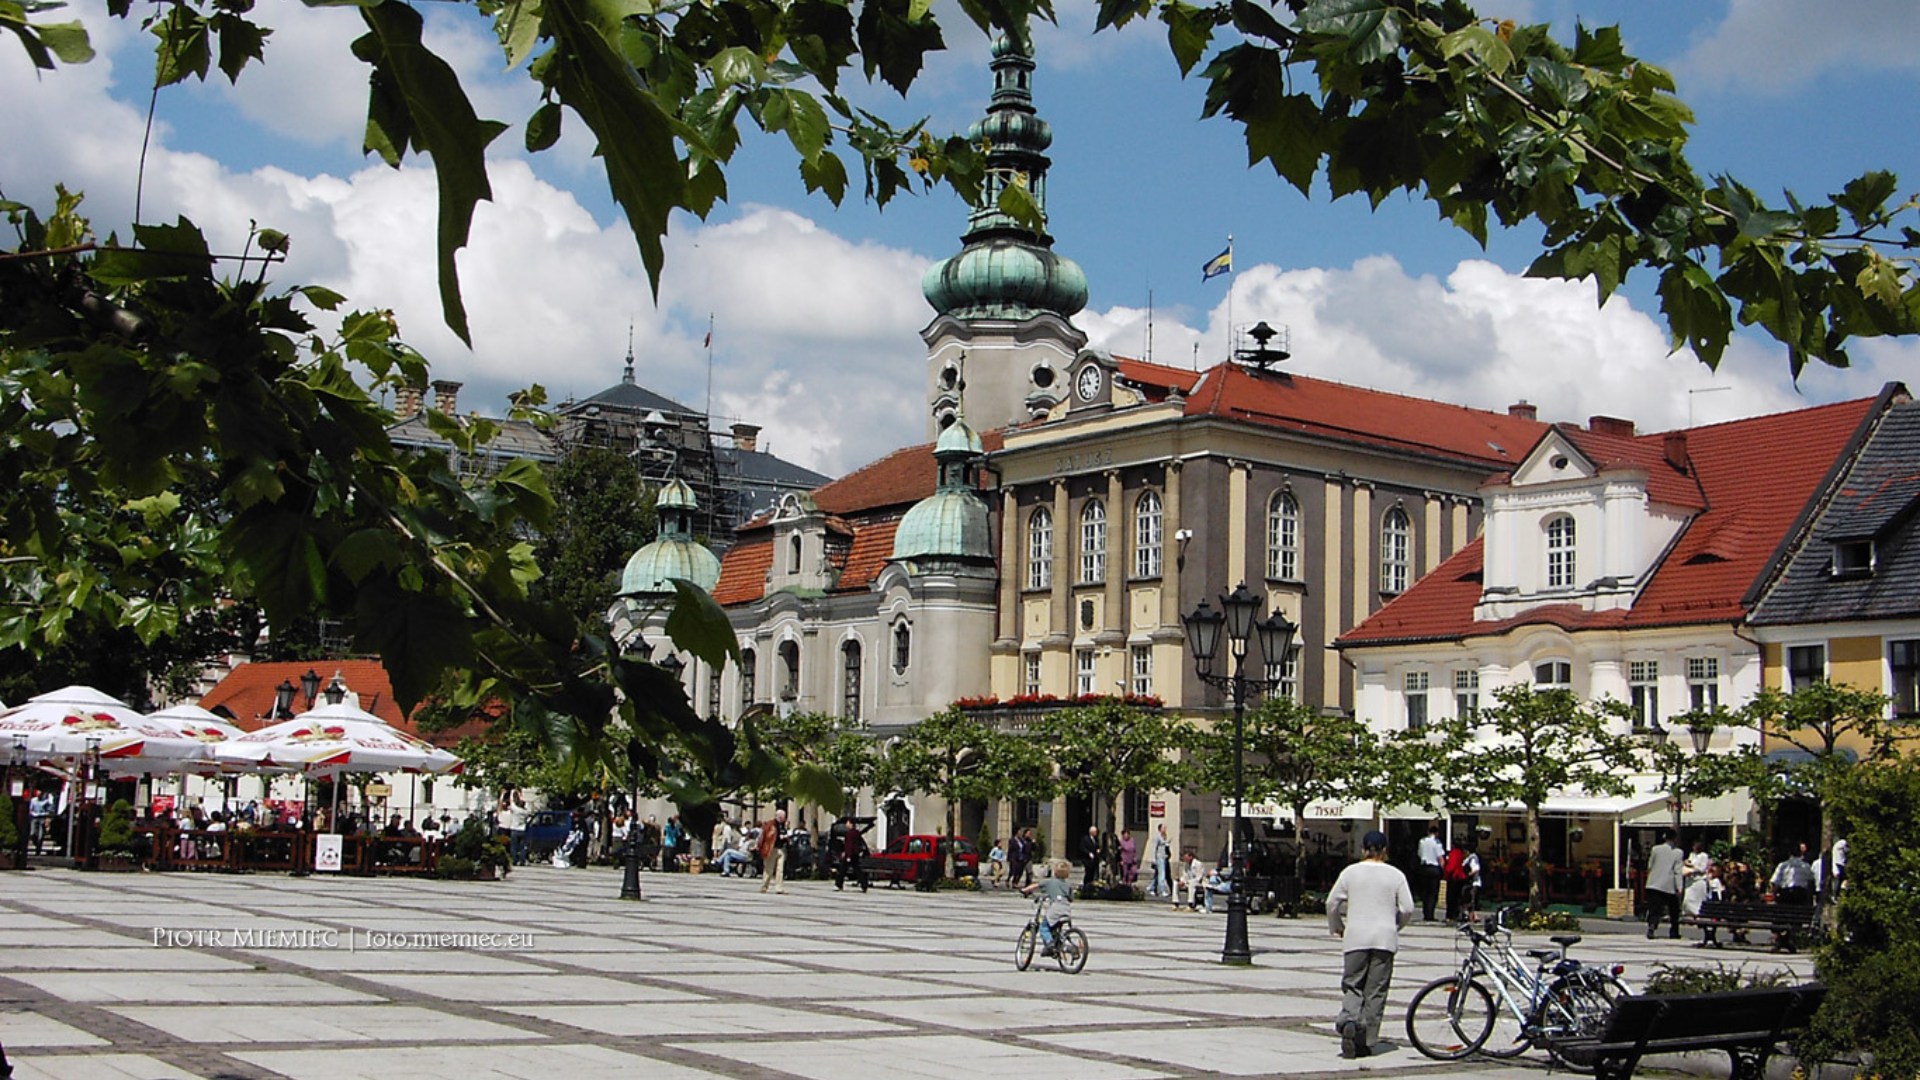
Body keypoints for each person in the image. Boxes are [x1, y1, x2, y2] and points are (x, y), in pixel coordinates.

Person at [1327, 830, 1416, 1059]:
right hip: (1384, 939)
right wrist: (1396, 926)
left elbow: (1331, 902)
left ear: (1364, 850)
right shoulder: (1396, 875)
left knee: (1353, 983)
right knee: (1376, 990)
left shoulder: (1350, 872)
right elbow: (1408, 908)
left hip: (1356, 936)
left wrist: (1337, 925)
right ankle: (1366, 1039)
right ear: (1385, 850)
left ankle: (1349, 1020)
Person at [1021, 860, 1075, 955]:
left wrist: (1024, 890)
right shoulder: (1068, 884)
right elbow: (1071, 898)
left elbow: (1035, 886)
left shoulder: (1050, 882)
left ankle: (1049, 944)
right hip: (1066, 909)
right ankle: (1063, 943)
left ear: (1055, 872)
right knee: (1057, 926)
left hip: (1055, 907)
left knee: (1044, 926)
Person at [1645, 829, 1686, 939]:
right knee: (1674, 909)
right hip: (1668, 885)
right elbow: (1678, 871)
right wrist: (1680, 887)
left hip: (1653, 883)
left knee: (1654, 908)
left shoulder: (1656, 849)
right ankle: (1674, 930)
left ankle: (1652, 926)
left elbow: (1650, 865)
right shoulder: (1678, 853)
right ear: (1675, 839)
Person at [1684, 862, 1724, 947]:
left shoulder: (1715, 881)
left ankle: (1709, 937)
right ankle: (1710, 937)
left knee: (1707, 916)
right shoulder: (1710, 881)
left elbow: (1717, 894)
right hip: (1712, 908)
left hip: (1713, 907)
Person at [1442, 838, 1479, 923]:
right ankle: (1456, 914)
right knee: (1458, 897)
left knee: (1451, 898)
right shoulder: (1461, 854)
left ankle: (1450, 916)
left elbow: (1451, 867)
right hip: (1460, 877)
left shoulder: (1454, 853)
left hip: (1454, 877)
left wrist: (1445, 874)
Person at [1416, 821, 1445, 921]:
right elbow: (1440, 858)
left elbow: (1419, 854)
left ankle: (1425, 913)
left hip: (1424, 867)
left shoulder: (1422, 841)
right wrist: (1443, 869)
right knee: (1433, 892)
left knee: (1425, 892)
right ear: (1436, 833)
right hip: (1434, 868)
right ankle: (1430, 914)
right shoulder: (1437, 843)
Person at [758, 809, 789, 894]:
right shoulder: (770, 824)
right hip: (772, 848)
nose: (784, 819)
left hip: (781, 848)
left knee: (780, 869)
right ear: (779, 816)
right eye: (783, 817)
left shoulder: (784, 825)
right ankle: (764, 886)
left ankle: (779, 888)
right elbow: (765, 836)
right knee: (769, 869)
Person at [835, 819, 870, 892]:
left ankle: (839, 883)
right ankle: (864, 884)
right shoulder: (857, 833)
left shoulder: (850, 834)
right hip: (855, 854)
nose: (846, 825)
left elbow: (850, 845)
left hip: (850, 854)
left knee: (843, 870)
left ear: (851, 824)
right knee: (857, 870)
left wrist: (848, 856)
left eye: (847, 823)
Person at [1149, 823, 1172, 899]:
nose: (1165, 829)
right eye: (1163, 828)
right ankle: (1162, 890)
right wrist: (1153, 859)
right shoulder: (1157, 837)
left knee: (1159, 874)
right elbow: (1154, 848)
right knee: (1162, 874)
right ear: (1159, 829)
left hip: (1164, 857)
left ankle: (1152, 887)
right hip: (1159, 857)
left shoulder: (1164, 836)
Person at [1081, 826, 1101, 894]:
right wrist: (1088, 853)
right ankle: (1085, 887)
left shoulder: (1096, 839)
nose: (1096, 833)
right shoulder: (1086, 839)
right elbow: (1082, 848)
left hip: (1094, 860)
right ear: (1091, 832)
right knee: (1088, 873)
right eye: (1095, 832)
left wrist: (1098, 850)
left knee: (1093, 874)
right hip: (1087, 860)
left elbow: (1097, 846)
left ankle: (1091, 887)